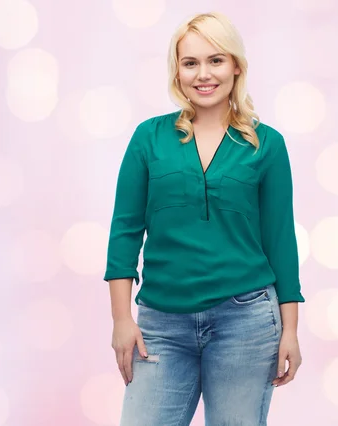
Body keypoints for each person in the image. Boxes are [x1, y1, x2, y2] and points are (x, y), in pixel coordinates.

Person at [103, 11, 305, 426]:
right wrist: (122, 320)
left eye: (215, 60)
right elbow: (124, 231)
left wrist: (290, 330)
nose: (203, 74)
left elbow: (281, 240)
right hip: (160, 323)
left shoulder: (267, 144)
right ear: (177, 72)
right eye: (190, 62)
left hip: (246, 320)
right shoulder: (149, 136)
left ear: (236, 66)